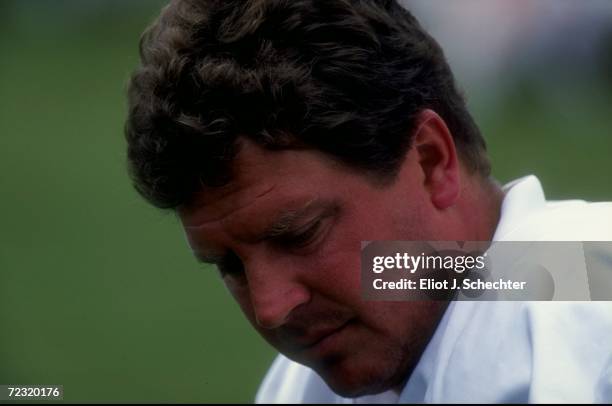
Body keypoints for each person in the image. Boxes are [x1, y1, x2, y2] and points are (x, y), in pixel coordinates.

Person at [124, 0, 612, 402]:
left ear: (429, 161)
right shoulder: (298, 391)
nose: (272, 308)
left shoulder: (589, 293)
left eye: (300, 234)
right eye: (230, 266)